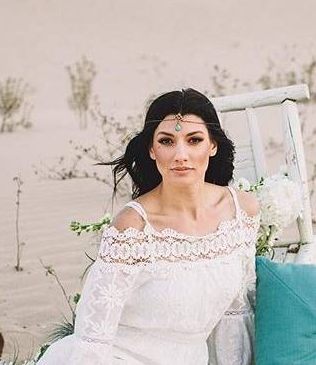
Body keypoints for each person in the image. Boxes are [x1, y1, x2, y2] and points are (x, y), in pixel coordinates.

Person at [37, 88, 261, 365]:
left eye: (194, 140)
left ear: (212, 145)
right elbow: (94, 335)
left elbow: (235, 313)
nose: (181, 154)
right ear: (152, 150)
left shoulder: (242, 211)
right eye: (167, 141)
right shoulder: (131, 228)